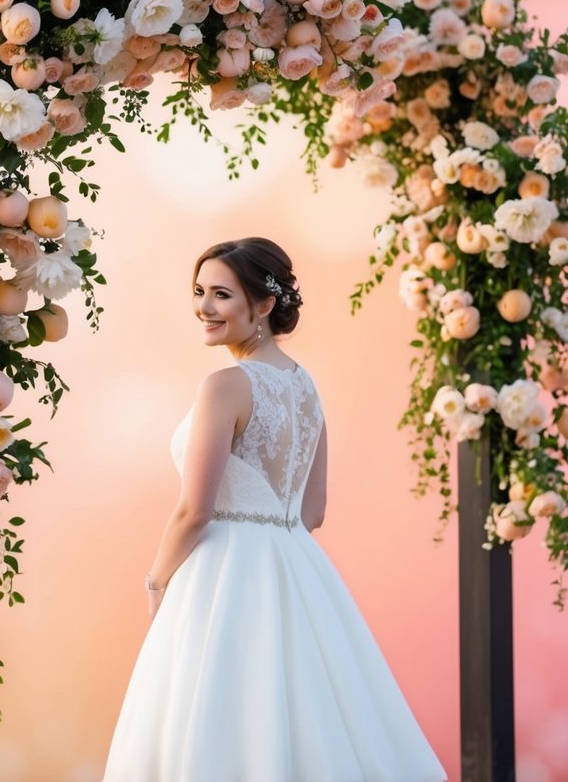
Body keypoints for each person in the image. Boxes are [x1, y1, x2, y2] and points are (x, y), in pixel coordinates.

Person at [102, 237, 446, 782]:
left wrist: (156, 582)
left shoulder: (224, 386)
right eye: (199, 292)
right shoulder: (305, 387)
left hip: (221, 575)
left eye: (222, 295)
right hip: (297, 567)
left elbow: (195, 509)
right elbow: (314, 510)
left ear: (263, 305)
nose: (204, 308)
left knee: (217, 723)